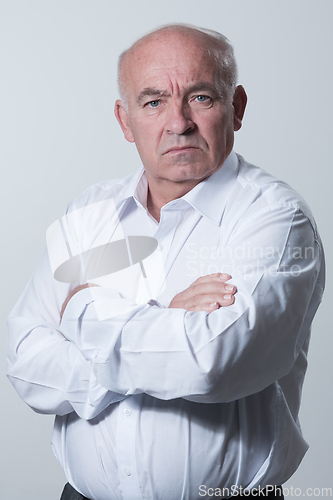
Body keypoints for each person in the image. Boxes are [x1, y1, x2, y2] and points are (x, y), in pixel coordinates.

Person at [7, 23, 325, 500]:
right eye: (153, 102)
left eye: (200, 97)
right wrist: (166, 317)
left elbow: (211, 362)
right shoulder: (89, 215)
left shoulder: (276, 219)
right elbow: (26, 362)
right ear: (124, 119)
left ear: (236, 108)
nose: (178, 122)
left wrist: (82, 312)